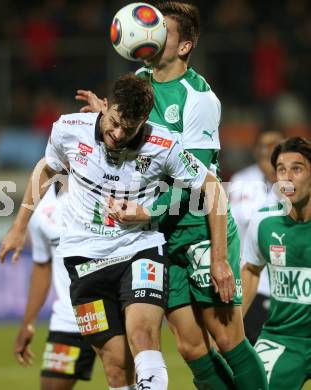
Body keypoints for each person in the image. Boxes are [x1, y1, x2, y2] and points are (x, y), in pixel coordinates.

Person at [0, 74, 234, 390]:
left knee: (143, 336)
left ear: (143, 123)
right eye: (115, 122)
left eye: (130, 128)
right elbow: (47, 168)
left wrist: (217, 256)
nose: (118, 134)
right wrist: (18, 227)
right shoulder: (68, 129)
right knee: (115, 368)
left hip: (139, 249)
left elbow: (212, 187)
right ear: (106, 107)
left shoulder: (162, 145)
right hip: (84, 260)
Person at [76, 2, 268, 389]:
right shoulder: (138, 83)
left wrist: (219, 259)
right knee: (190, 347)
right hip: (159, 234)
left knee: (227, 337)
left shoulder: (198, 99)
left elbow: (201, 183)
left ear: (184, 46)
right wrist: (108, 115)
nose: (155, 36)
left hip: (198, 224)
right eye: (154, 28)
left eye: (165, 32)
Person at [241, 137, 311, 389]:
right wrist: (233, 334)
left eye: (297, 168)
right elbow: (250, 269)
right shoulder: (264, 222)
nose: (287, 177)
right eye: (281, 169)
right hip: (282, 337)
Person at [14, 182, 96, 390]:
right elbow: (42, 266)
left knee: (121, 377)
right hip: (70, 316)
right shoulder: (40, 206)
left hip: (111, 308)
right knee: (51, 386)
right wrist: (28, 323)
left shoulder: (106, 184)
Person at [230, 129, 284, 344]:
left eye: (275, 144)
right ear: (256, 151)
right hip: (252, 279)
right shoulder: (241, 181)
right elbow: (228, 228)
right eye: (264, 145)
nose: (268, 150)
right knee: (253, 349)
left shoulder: (300, 183)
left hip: (290, 283)